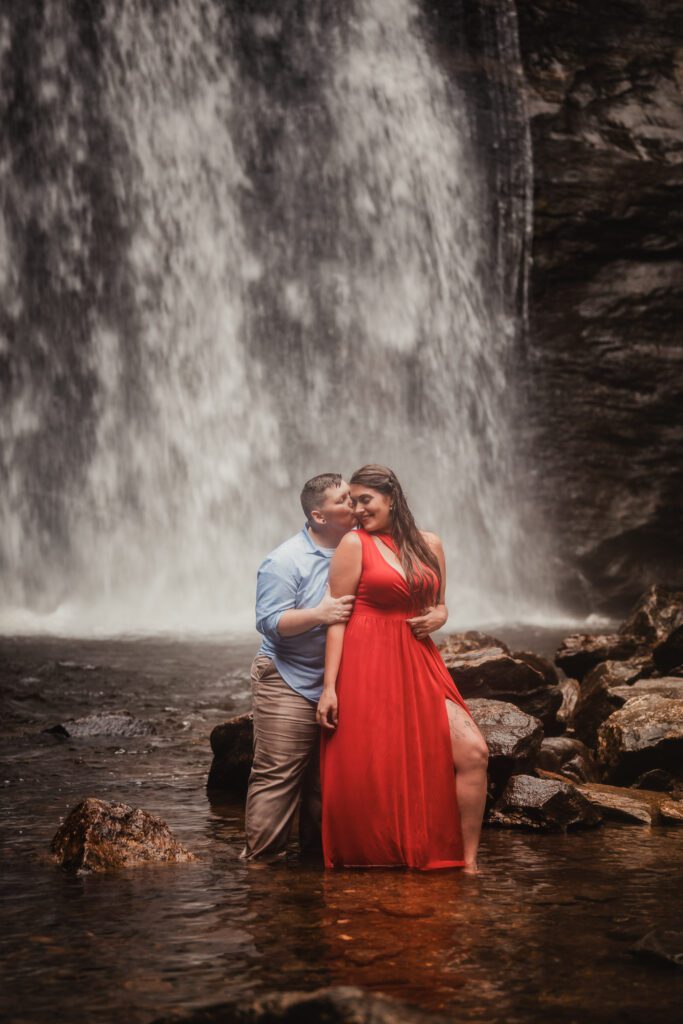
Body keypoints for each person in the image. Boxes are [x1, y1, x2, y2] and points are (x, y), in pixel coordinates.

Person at [317, 464, 489, 872]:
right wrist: (329, 687)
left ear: (391, 498)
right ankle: (388, 854)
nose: (357, 510)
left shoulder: (430, 544)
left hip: (418, 657)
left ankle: (468, 862)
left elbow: (441, 603)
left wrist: (441, 616)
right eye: (352, 502)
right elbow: (337, 618)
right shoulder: (354, 545)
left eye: (365, 500)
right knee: (380, 764)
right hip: (369, 659)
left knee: (474, 752)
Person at [243, 473, 357, 861]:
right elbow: (270, 622)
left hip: (338, 681)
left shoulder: (360, 548)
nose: (354, 502)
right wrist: (320, 614)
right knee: (278, 776)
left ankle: (316, 865)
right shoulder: (284, 560)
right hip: (286, 678)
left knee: (326, 782)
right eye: (343, 499)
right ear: (319, 516)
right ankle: (262, 866)